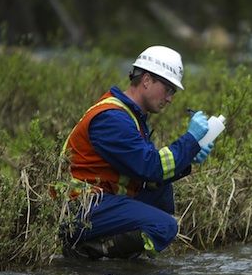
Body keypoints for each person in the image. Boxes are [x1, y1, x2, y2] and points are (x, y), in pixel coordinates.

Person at [59, 45, 213, 259]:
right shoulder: (113, 118)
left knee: (161, 191)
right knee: (164, 226)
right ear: (147, 80)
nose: (170, 98)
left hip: (99, 201)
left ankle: (115, 250)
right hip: (79, 208)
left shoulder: (130, 116)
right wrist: (189, 141)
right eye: (168, 89)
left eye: (173, 92)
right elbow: (151, 166)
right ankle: (87, 251)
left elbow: (147, 173)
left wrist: (188, 157)